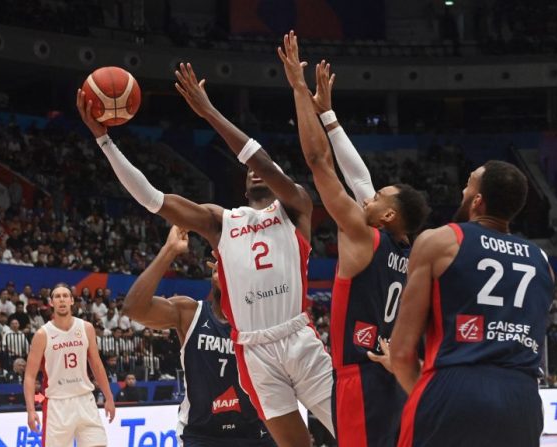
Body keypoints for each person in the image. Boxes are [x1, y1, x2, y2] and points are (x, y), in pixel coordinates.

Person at [78, 59, 334, 446]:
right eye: (247, 170)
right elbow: (152, 199)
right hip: (255, 350)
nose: (254, 170)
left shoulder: (297, 207)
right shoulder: (221, 222)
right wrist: (104, 141)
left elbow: (258, 158)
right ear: (243, 183)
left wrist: (209, 111)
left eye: (262, 167)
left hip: (299, 338)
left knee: (358, 431)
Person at [279, 32, 430, 447]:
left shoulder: (365, 237)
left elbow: (318, 162)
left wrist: (297, 86)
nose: (371, 192)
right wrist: (328, 115)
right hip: (397, 377)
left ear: (387, 215)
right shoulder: (411, 251)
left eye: (380, 196)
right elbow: (361, 179)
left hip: (359, 379)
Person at [390, 161, 554, 446]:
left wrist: (431, 397)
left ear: (477, 201)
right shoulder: (542, 261)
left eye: (468, 183)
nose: (463, 190)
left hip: (455, 386)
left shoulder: (440, 241)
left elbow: (402, 353)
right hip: (523, 398)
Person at [122, 226, 274, 446]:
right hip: (201, 435)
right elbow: (133, 308)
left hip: (255, 432)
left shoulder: (260, 319)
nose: (221, 272)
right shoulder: (189, 313)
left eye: (229, 267)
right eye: (217, 269)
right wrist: (169, 251)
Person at [24, 283, 116, 447]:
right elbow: (30, 376)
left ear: (72, 301)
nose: (62, 300)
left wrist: (109, 397)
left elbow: (97, 365)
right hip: (57, 404)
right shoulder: (42, 335)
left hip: (85, 399)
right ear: (51, 303)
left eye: (65, 296)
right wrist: (31, 410)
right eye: (57, 297)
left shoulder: (86, 328)